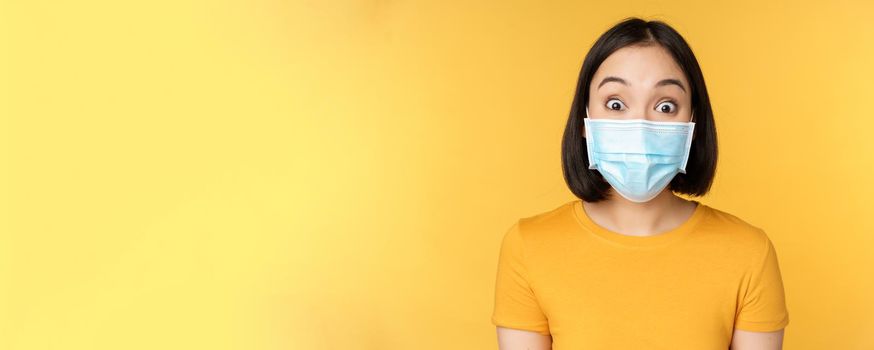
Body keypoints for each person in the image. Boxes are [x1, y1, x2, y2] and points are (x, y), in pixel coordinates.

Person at [491, 17, 789, 350]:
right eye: (615, 104)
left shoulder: (748, 252)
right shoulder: (529, 246)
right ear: (584, 122)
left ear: (692, 123)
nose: (640, 126)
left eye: (665, 106)